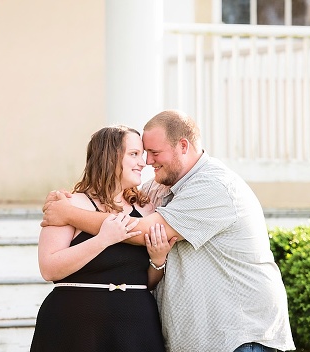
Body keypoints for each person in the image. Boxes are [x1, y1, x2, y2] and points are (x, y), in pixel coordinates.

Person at [41, 110, 296, 352]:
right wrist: (68, 202)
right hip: (196, 339)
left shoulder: (214, 186)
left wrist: (68, 214)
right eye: (139, 153)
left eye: (153, 152)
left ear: (183, 146)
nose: (147, 161)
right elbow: (126, 204)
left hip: (237, 338)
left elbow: (140, 232)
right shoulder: (158, 189)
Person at [30, 125, 175, 352]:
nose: (144, 162)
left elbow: (144, 282)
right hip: (74, 326)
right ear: (110, 157)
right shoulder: (69, 204)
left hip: (135, 328)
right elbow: (49, 269)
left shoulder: (147, 209)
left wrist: (158, 261)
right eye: (134, 154)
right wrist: (102, 240)